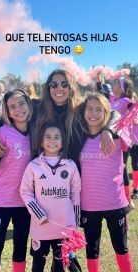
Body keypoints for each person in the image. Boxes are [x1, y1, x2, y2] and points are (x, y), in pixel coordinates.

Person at [0, 69, 119, 272]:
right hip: (41, 179)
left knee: (65, 241)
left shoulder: (79, 109)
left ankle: (70, 257)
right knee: (41, 247)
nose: (59, 88)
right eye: (54, 84)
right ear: (48, 88)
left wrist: (107, 129)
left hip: (69, 179)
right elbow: (6, 116)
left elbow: (112, 112)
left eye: (64, 84)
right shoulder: (37, 106)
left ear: (71, 87)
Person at [79, 92, 133, 272]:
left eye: (99, 110)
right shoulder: (78, 137)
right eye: (89, 108)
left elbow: (122, 118)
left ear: (106, 113)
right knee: (91, 250)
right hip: (88, 205)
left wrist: (108, 130)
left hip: (115, 204)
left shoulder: (118, 135)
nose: (93, 113)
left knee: (121, 247)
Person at [20, 122, 81, 272]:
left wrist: (75, 222)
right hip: (41, 226)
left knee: (60, 265)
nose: (52, 140)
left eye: (56, 137)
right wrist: (38, 213)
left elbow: (76, 193)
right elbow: (25, 191)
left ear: (62, 142)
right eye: (48, 137)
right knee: (38, 265)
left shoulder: (70, 165)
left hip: (64, 227)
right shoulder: (33, 165)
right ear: (41, 141)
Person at [0, 89, 32, 272]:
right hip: (0, 202)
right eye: (12, 106)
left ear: (29, 104)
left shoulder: (36, 131)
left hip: (24, 203)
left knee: (20, 249)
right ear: (7, 110)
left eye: (21, 103)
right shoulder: (2, 132)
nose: (18, 109)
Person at [110, 77, 135, 209]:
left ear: (122, 87)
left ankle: (128, 200)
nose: (113, 86)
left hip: (122, 140)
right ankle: (120, 196)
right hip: (111, 139)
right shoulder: (113, 100)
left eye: (115, 84)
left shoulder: (126, 101)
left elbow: (134, 112)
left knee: (122, 167)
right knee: (116, 168)